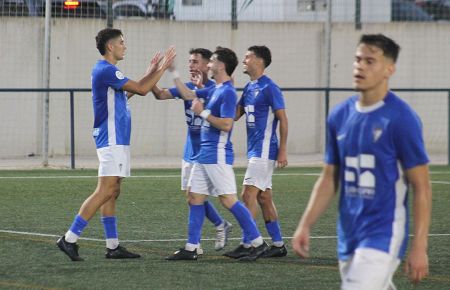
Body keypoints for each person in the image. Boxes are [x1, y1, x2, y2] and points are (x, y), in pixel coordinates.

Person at [292, 34, 432, 289]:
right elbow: (328, 178)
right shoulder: (339, 115)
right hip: (348, 233)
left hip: (384, 232)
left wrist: (419, 246)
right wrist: (305, 224)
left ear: (389, 69)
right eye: (357, 60)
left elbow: (422, 187)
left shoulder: (402, 119)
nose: (360, 66)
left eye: (370, 61)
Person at [56, 28, 176, 261]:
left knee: (114, 190)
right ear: (110, 47)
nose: (125, 46)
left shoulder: (108, 71)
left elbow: (126, 94)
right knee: (106, 190)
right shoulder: (106, 69)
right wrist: (163, 68)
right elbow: (142, 89)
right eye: (121, 42)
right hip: (111, 138)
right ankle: (69, 238)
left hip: (117, 138)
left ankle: (112, 246)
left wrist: (149, 72)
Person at [166, 46, 268, 261]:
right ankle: (191, 248)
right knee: (194, 197)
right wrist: (173, 72)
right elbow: (188, 93)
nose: (208, 65)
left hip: (217, 154)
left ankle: (258, 244)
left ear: (221, 65)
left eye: (211, 61)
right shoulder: (216, 89)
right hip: (205, 155)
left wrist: (201, 112)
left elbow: (227, 125)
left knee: (228, 200)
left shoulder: (228, 92)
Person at [152, 48, 232, 252]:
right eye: (189, 61)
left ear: (208, 65)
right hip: (191, 150)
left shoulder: (218, 88)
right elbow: (160, 95)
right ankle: (212, 230)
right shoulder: (186, 87)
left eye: (195, 62)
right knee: (193, 196)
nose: (190, 65)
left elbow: (227, 121)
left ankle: (248, 238)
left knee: (219, 198)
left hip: (212, 151)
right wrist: (152, 74)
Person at [225, 45, 288, 259]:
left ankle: (250, 243)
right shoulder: (249, 87)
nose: (244, 60)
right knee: (264, 198)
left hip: (265, 150)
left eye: (247, 56)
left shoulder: (270, 87)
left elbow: (283, 119)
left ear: (259, 61)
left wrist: (283, 151)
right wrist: (219, 94)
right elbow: (234, 115)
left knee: (247, 194)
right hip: (255, 150)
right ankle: (278, 245)